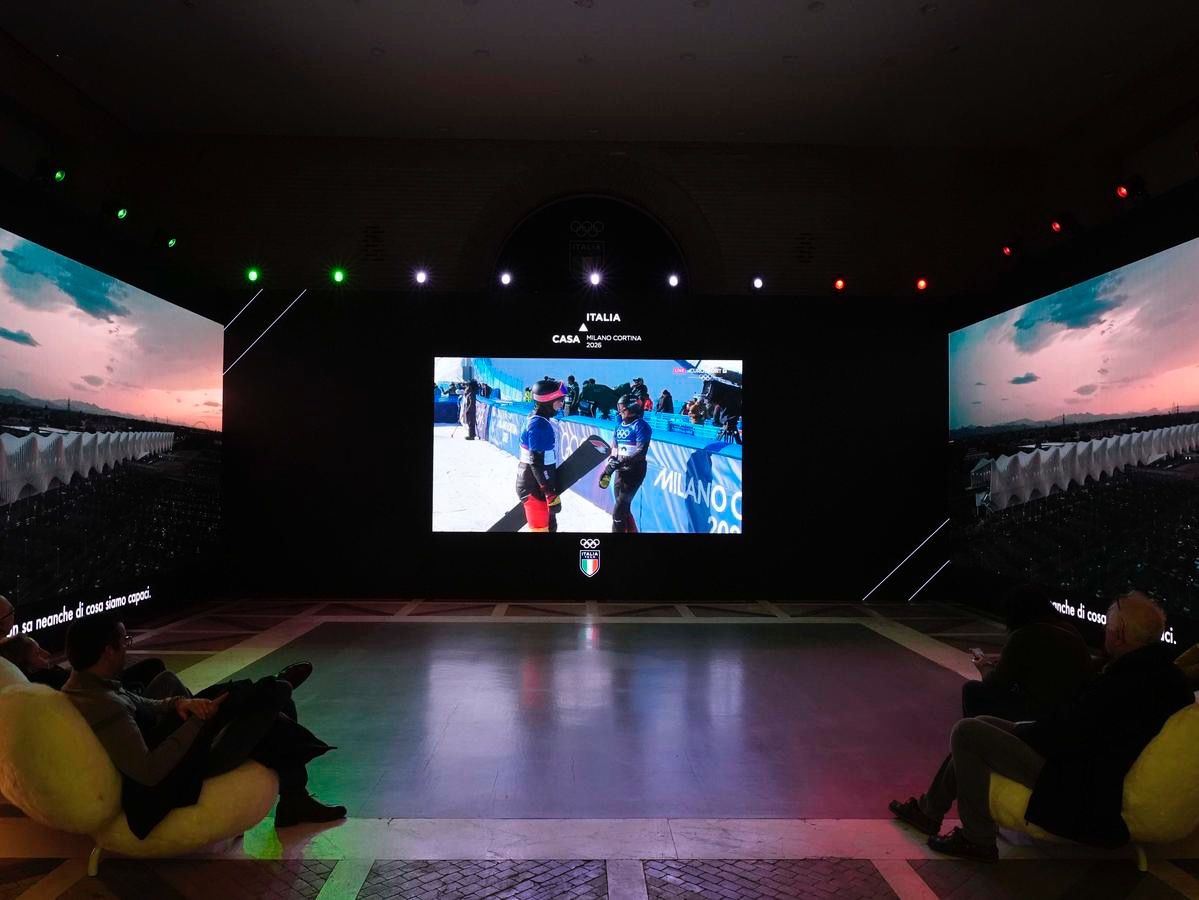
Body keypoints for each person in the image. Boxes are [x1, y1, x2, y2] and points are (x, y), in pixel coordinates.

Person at [889, 591, 1193, 861]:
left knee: (967, 732)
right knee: (981, 724)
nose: (1105, 631)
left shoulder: (1123, 683)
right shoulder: (1157, 675)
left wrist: (1025, 731)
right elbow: (1081, 723)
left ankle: (976, 838)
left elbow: (1071, 733)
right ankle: (930, 811)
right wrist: (1027, 727)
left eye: (1109, 626)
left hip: (1075, 776)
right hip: (1080, 758)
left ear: (1121, 634)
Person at [63, 616, 345, 838]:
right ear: (107, 651)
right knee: (276, 702)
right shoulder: (105, 706)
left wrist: (179, 704)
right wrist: (198, 722)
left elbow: (136, 701)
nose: (128, 648)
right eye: (124, 642)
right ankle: (269, 696)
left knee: (254, 703)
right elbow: (150, 772)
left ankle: (261, 695)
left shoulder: (91, 686)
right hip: (185, 771)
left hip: (171, 742)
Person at [963, 585, 1093, 721]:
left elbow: (995, 684)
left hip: (1041, 715)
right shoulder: (1070, 629)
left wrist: (984, 666)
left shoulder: (1022, 636)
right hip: (1074, 711)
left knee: (971, 689)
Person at [516, 379, 567, 532]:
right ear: (548, 400)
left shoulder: (540, 419)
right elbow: (536, 462)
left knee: (550, 527)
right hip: (534, 486)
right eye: (560, 400)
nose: (562, 404)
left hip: (538, 483)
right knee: (541, 530)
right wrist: (549, 493)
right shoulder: (538, 425)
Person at [598, 394, 653, 533]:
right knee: (624, 510)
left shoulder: (641, 426)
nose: (619, 411)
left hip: (635, 472)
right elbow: (615, 449)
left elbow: (641, 452)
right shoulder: (618, 427)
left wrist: (621, 462)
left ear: (632, 408)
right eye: (618, 407)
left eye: (622, 408)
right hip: (621, 471)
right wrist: (610, 467)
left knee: (618, 512)